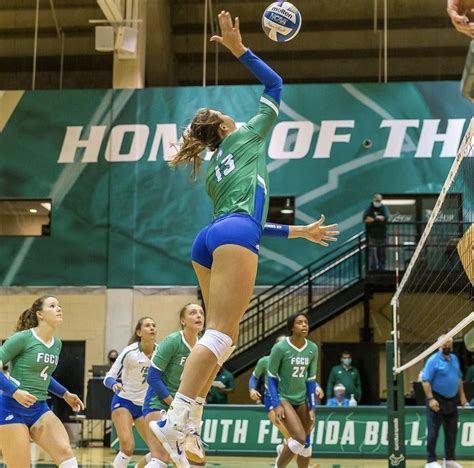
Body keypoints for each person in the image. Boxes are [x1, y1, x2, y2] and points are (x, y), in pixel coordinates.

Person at [149, 11, 338, 468]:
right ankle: (173, 420)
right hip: (232, 234)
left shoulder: (215, 168)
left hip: (212, 237)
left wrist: (300, 230)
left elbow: (250, 224)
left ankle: (188, 423)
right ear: (226, 127)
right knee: (218, 335)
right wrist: (241, 51)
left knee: (221, 338)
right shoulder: (248, 136)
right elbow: (275, 87)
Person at [0, 296, 84, 467]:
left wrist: (65, 394)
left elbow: (43, 375)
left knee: (67, 455)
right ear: (40, 314)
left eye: (59, 305)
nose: (59, 308)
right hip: (12, 407)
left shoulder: (56, 344)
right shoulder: (22, 338)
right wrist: (15, 392)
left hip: (39, 408)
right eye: (52, 306)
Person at [144, 304, 206, 468]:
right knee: (160, 458)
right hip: (157, 403)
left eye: (201, 313)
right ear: (183, 321)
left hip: (182, 408)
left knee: (192, 461)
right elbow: (152, 377)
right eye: (193, 313)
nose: (199, 316)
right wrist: (174, 405)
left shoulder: (203, 347)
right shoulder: (173, 341)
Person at [103, 317, 157, 468]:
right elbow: (108, 377)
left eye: (153, 325)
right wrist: (114, 384)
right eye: (147, 326)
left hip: (144, 405)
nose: (152, 328)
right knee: (127, 447)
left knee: (158, 450)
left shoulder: (160, 353)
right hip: (124, 401)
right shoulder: (130, 351)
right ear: (139, 332)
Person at [268, 313, 319, 468]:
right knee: (299, 438)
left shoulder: (312, 348)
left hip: (301, 398)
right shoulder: (280, 348)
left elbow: (311, 380)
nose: (304, 325)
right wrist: (276, 404)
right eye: (299, 322)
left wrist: (312, 406)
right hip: (284, 398)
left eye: (306, 322)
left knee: (307, 442)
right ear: (291, 327)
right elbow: (270, 378)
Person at [422, 337, 467, 468]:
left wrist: (462, 396)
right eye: (445, 344)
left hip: (452, 400)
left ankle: (449, 460)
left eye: (450, 344)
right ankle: (431, 461)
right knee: (433, 431)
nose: (448, 346)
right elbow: (425, 381)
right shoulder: (433, 360)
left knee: (452, 432)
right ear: (439, 345)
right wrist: (431, 399)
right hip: (437, 399)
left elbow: (459, 378)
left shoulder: (454, 359)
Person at [363, 194, 390, 271]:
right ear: (373, 200)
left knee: (382, 254)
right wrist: (377, 218)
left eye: (379, 201)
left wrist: (373, 219)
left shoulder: (384, 208)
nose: (378, 202)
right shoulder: (369, 209)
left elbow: (386, 217)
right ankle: (374, 268)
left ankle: (382, 268)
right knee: (373, 255)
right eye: (376, 200)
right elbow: (365, 219)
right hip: (372, 236)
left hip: (382, 236)